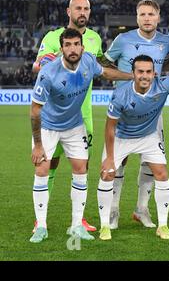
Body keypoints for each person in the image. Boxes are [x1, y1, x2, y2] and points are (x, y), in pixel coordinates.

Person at [29, 28, 133, 243]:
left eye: (76, 44)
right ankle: (41, 225)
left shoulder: (87, 61)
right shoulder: (49, 73)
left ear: (82, 47)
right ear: (62, 49)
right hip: (48, 126)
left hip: (74, 125)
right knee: (42, 169)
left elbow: (106, 73)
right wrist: (38, 145)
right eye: (67, 45)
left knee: (81, 170)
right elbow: (35, 111)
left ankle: (76, 226)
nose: (73, 48)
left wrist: (133, 75)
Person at [97, 55, 169, 241]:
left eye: (148, 72)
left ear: (154, 73)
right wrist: (109, 157)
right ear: (133, 73)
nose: (144, 76)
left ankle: (162, 226)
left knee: (162, 174)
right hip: (121, 138)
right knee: (107, 173)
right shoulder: (120, 95)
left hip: (148, 136)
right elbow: (110, 128)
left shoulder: (163, 85)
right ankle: (104, 225)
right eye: (140, 72)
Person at [32, 0, 105, 233]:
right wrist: (46, 61)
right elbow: (38, 66)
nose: (82, 12)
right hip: (55, 116)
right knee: (49, 163)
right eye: (77, 8)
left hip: (84, 117)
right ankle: (40, 220)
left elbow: (101, 65)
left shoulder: (94, 39)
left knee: (82, 166)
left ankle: (79, 220)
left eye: (86, 8)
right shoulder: (53, 38)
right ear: (68, 11)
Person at [99, 0, 169, 230]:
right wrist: (129, 77)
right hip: (123, 109)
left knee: (151, 163)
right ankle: (113, 210)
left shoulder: (165, 41)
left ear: (158, 17)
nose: (147, 18)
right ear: (137, 17)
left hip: (152, 109)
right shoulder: (123, 40)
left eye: (151, 14)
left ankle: (141, 209)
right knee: (117, 164)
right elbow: (104, 67)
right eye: (143, 14)